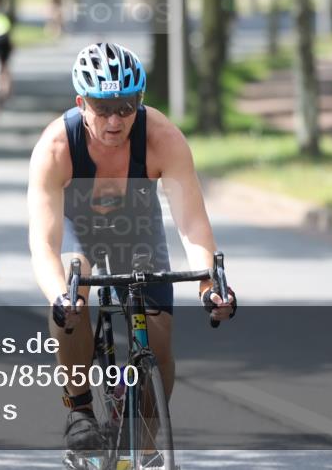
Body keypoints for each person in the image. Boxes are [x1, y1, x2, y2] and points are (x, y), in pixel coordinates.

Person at [27, 42, 237, 456]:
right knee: (73, 288)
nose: (114, 119)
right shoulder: (56, 148)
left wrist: (210, 287)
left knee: (158, 338)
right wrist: (58, 296)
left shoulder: (162, 138)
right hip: (78, 229)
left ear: (139, 103)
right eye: (102, 108)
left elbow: (192, 222)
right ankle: (80, 407)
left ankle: (142, 439)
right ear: (80, 103)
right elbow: (44, 242)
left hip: (136, 227)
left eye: (126, 106)